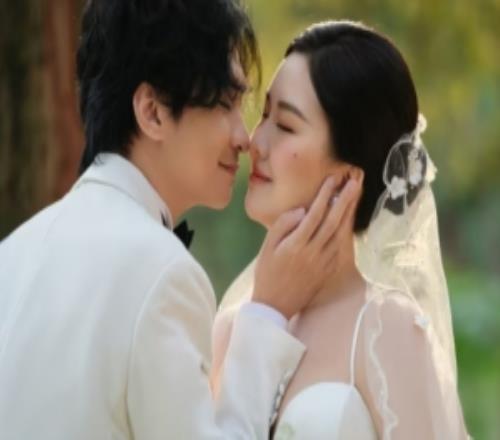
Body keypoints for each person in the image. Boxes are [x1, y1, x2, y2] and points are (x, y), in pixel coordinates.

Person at [0, 3, 361, 439]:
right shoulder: (161, 272)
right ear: (152, 112)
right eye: (225, 103)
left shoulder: (13, 252)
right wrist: (268, 313)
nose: (243, 138)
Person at [212, 20, 470, 439]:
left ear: (349, 177)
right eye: (264, 115)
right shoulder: (230, 332)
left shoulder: (387, 327)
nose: (256, 142)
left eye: (286, 125)